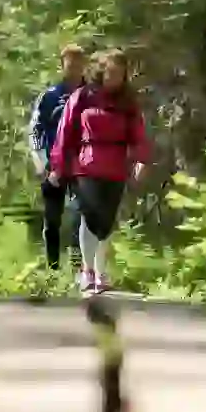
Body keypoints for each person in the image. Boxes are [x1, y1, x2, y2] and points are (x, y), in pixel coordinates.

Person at [48, 48, 151, 295]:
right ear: (102, 71)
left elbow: (138, 133)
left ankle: (101, 270)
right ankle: (87, 270)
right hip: (86, 164)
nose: (116, 78)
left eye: (121, 73)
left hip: (115, 167)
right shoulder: (82, 97)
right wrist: (58, 167)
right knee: (89, 215)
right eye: (112, 72)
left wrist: (141, 160)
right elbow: (65, 133)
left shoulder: (128, 102)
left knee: (106, 219)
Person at [27, 44, 87, 270]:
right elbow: (35, 130)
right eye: (69, 64)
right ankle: (52, 268)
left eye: (78, 64)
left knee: (80, 216)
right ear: (62, 66)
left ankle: (77, 268)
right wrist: (40, 161)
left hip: (83, 166)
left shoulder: (91, 96)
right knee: (52, 220)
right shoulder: (50, 97)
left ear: (84, 66)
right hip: (54, 166)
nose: (74, 69)